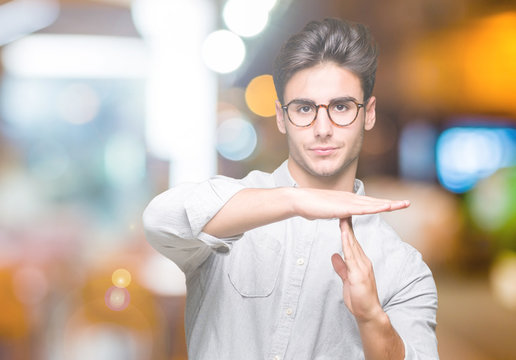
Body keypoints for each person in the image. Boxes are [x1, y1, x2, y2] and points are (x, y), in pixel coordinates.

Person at [142, 18, 438, 359]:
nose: (323, 128)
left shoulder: (402, 267)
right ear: (281, 117)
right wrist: (294, 200)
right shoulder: (235, 211)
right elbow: (160, 220)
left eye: (341, 107)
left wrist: (372, 319)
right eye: (304, 108)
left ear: (368, 113)